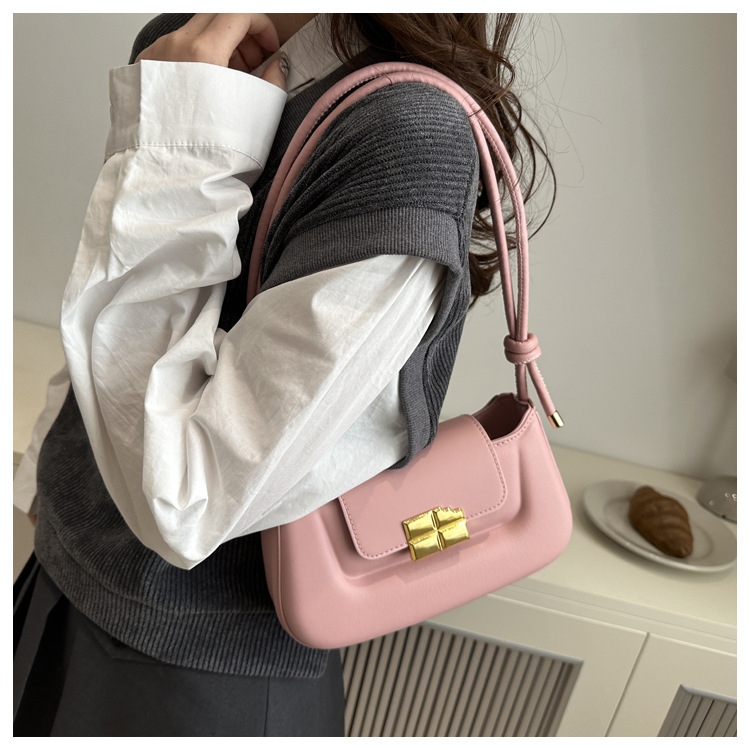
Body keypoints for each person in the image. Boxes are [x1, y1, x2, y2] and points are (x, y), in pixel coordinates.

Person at [13, 13, 554, 736]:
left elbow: (186, 500)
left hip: (193, 683)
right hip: (64, 578)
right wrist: (45, 480)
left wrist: (185, 132)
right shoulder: (196, 44)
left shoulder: (403, 134)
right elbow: (114, 312)